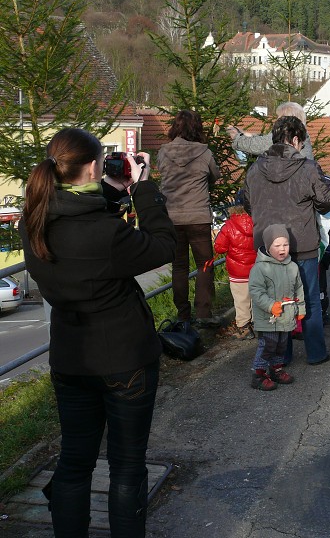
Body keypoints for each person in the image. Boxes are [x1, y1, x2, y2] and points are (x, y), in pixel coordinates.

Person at [20, 128, 177, 536]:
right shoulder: (107, 234)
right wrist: (144, 188)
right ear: (92, 166)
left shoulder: (34, 221)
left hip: (71, 358)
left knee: (74, 463)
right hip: (125, 359)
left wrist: (110, 190)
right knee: (126, 466)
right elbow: (163, 245)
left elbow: (79, 216)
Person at [243, 115, 330, 365]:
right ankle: (316, 353)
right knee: (309, 300)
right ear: (296, 140)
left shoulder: (255, 169)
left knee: (277, 300)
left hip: (269, 245)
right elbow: (326, 201)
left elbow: (247, 202)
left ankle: (279, 357)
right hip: (302, 243)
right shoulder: (307, 168)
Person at [157, 109, 221, 327]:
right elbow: (215, 176)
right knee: (205, 264)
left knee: (179, 267)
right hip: (199, 217)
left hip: (172, 218)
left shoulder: (164, 152)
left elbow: (161, 174)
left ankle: (183, 315)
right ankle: (203, 314)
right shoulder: (205, 153)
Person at [249, 224, 305, 390]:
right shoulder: (260, 268)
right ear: (268, 246)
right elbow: (256, 291)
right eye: (277, 245)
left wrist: (300, 309)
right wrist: (270, 305)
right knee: (268, 345)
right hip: (269, 317)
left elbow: (299, 289)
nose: (282, 249)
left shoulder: (292, 266)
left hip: (286, 315)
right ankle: (258, 374)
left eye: (285, 245)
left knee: (282, 344)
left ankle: (276, 369)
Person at [214, 198, 257, 339]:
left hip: (237, 272)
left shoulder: (229, 226)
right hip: (257, 268)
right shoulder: (257, 222)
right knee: (257, 297)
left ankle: (244, 327)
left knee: (241, 300)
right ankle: (259, 324)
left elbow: (219, 248)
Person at [228, 101, 314, 160]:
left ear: (287, 119)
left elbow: (259, 145)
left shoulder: (285, 136)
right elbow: (266, 139)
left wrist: (236, 138)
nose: (277, 120)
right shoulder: (301, 133)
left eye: (279, 117)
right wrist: (246, 134)